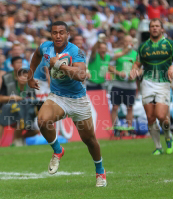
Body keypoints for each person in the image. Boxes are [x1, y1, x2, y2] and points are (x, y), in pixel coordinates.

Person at [27, 21, 107, 187]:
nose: (58, 36)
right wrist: (30, 75)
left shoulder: (75, 51)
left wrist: (59, 65)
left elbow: (81, 75)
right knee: (42, 120)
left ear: (67, 34)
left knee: (90, 141)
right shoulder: (45, 47)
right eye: (55, 32)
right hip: (57, 96)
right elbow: (36, 55)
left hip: (77, 100)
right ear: (51, 34)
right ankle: (58, 150)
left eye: (61, 32)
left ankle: (100, 172)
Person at [130, 18, 173, 155]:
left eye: (157, 26)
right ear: (149, 29)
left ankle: (168, 135)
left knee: (161, 116)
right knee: (150, 117)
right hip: (147, 83)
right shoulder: (143, 47)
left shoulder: (170, 44)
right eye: (152, 26)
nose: (154, 28)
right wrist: (134, 69)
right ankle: (158, 146)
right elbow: (137, 63)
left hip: (163, 83)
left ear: (162, 29)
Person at [0, 69, 39, 147]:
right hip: (10, 110)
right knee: (16, 120)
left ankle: (19, 138)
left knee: (36, 129)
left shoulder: (30, 88)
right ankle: (0, 142)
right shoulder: (9, 86)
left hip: (25, 113)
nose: (23, 78)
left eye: (26, 77)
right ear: (17, 77)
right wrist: (13, 97)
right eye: (22, 76)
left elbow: (34, 101)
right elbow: (0, 99)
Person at [108, 35, 138, 131]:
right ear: (123, 42)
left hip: (131, 85)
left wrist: (134, 74)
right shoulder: (117, 53)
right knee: (115, 107)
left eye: (130, 41)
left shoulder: (135, 54)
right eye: (126, 41)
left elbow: (139, 68)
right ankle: (115, 128)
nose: (128, 43)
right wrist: (118, 73)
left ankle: (129, 129)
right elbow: (109, 66)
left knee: (130, 108)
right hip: (118, 84)